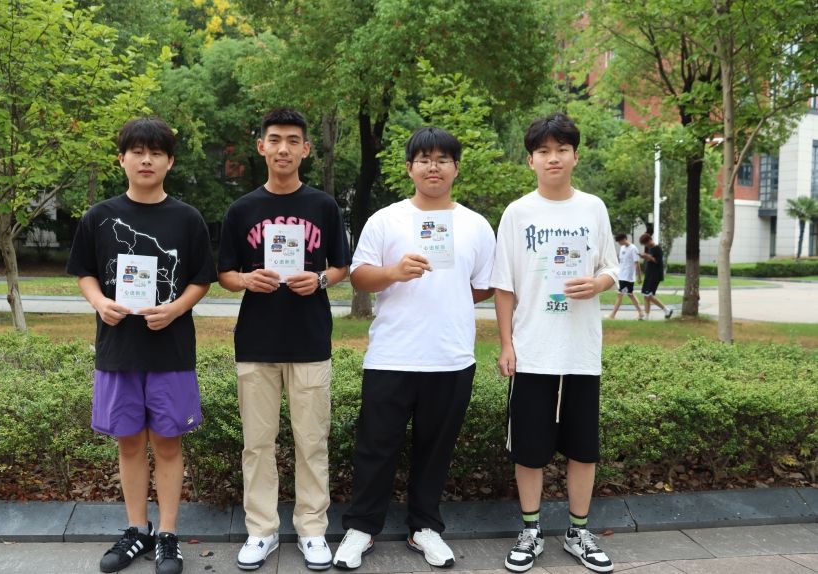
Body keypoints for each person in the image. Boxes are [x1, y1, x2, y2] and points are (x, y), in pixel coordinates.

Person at [331, 127, 496, 570]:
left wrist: (450, 295)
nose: (433, 167)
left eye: (443, 159)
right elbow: (360, 276)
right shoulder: (386, 220)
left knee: (436, 449)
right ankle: (361, 528)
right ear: (409, 168)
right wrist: (394, 273)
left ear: (456, 168)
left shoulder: (476, 225)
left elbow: (484, 285)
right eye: (424, 159)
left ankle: (424, 527)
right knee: (375, 447)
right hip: (392, 355)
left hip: (451, 357)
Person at [67, 117, 217, 574]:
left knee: (168, 443)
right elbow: (85, 272)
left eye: (155, 152)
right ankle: (137, 529)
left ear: (170, 161)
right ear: (122, 159)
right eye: (137, 151)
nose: (146, 159)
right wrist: (99, 302)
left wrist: (175, 309)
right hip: (119, 351)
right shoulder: (99, 217)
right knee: (129, 443)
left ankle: (168, 534)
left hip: (171, 351)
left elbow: (201, 278)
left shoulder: (187, 218)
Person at [217, 108, 351, 571]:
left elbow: (341, 266)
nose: (283, 149)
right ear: (261, 147)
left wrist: (321, 279)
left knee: (312, 442)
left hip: (309, 340)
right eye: (275, 139)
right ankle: (262, 530)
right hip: (256, 342)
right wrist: (245, 280)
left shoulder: (323, 206)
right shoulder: (242, 210)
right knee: (257, 443)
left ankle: (312, 529)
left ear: (306, 149)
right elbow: (224, 273)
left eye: (293, 141)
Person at [491, 113, 618, 573]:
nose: (553, 158)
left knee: (583, 447)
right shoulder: (517, 213)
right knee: (529, 448)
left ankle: (577, 531)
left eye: (562, 149)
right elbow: (504, 286)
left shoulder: (593, 208)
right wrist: (507, 345)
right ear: (531, 160)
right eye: (543, 151)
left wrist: (598, 283)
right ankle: (531, 530)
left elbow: (612, 267)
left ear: (575, 156)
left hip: (581, 352)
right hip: (533, 350)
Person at [609, 234, 644, 320]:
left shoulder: (633, 248)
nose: (619, 243)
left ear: (624, 239)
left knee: (620, 295)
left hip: (628, 277)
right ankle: (641, 313)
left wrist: (639, 277)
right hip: (622, 276)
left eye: (620, 241)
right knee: (630, 295)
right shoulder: (622, 248)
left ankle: (612, 315)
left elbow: (637, 263)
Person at [638, 233, 673, 319]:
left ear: (650, 240)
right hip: (649, 275)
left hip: (655, 275)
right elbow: (651, 259)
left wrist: (647, 256)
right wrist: (645, 257)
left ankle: (666, 310)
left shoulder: (657, 248)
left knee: (648, 295)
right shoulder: (651, 249)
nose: (646, 245)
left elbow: (657, 260)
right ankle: (647, 316)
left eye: (646, 243)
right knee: (646, 295)